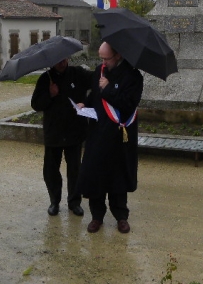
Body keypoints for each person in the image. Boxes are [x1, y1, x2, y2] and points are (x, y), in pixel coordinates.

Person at [76, 42, 143, 234]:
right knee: (96, 175)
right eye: (101, 58)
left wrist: (109, 88)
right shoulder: (100, 70)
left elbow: (129, 104)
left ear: (118, 55)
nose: (103, 62)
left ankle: (121, 216)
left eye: (106, 58)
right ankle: (97, 216)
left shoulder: (133, 75)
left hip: (120, 135)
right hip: (98, 133)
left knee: (118, 177)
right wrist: (84, 104)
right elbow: (96, 97)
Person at [30, 58, 93, 217]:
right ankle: (54, 201)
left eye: (64, 59)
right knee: (51, 170)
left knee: (75, 170)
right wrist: (50, 95)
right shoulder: (46, 78)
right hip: (54, 133)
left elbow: (95, 84)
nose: (62, 62)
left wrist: (85, 102)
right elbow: (36, 104)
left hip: (75, 131)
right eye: (58, 60)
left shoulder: (78, 73)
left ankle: (74, 202)